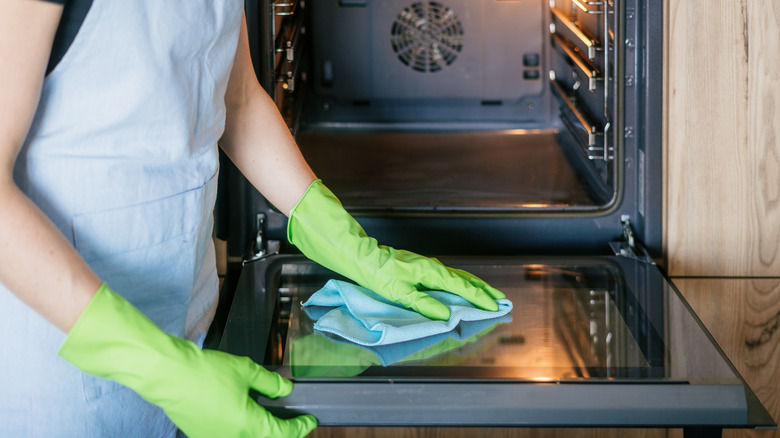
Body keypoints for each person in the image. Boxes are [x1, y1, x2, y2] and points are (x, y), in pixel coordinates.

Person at [0, 0, 506, 436]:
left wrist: (352, 246)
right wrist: (157, 367)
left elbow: (237, 98)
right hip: (61, 357)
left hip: (183, 321)